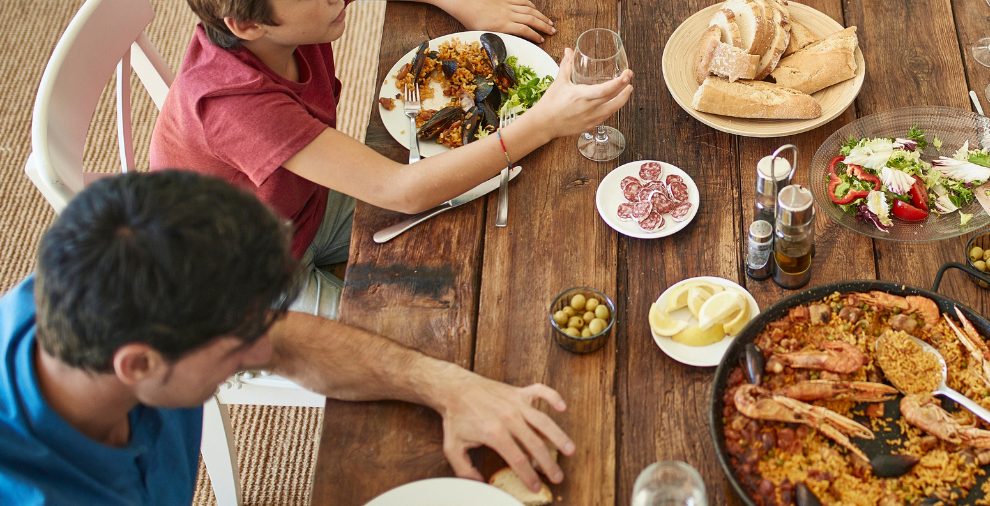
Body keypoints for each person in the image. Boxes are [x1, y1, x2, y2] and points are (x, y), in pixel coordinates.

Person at [150, 0, 632, 316]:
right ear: (248, 25)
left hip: (300, 207)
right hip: (242, 280)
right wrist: (543, 123)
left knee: (473, 238)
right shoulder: (232, 104)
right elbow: (400, 190)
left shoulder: (284, 15)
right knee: (407, 334)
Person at [0, 171, 574, 505]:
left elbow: (288, 341)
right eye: (239, 344)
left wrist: (448, 385)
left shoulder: (97, 300)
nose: (264, 351)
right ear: (138, 364)